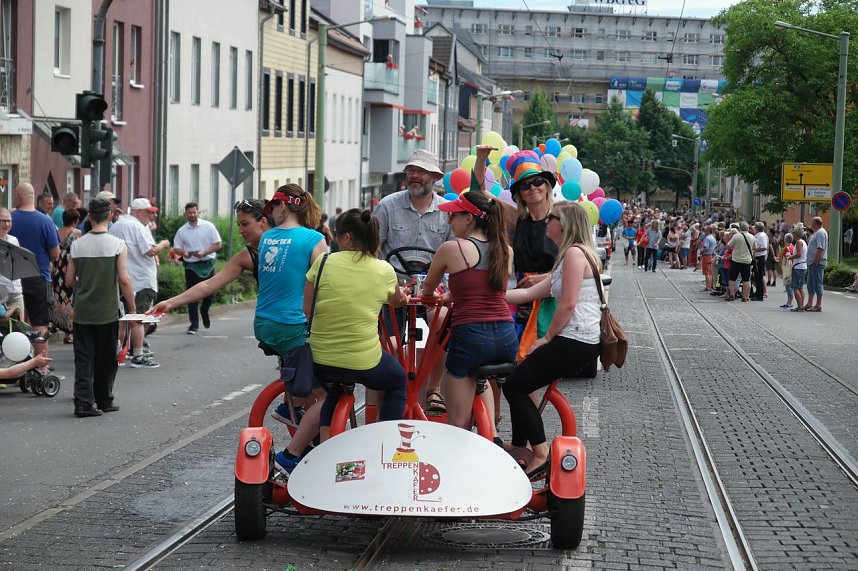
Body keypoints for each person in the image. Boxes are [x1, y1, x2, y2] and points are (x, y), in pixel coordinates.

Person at [294, 209, 407, 462]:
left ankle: (324, 451)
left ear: (346, 238)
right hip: (363, 362)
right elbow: (397, 301)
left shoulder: (323, 263)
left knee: (334, 392)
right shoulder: (384, 270)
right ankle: (387, 447)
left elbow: (307, 309)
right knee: (397, 380)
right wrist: (403, 298)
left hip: (320, 359)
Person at [502, 201, 602, 477]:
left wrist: (546, 338)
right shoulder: (568, 256)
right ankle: (520, 443)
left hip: (576, 340)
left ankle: (540, 454)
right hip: (578, 339)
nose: (546, 222)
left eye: (552, 218)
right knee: (520, 377)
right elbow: (527, 294)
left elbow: (568, 303)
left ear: (565, 224)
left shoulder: (574, 254)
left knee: (514, 386)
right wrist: (489, 296)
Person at [420, 190, 517, 438]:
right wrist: (455, 294)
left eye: (453, 215)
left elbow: (427, 289)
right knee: (480, 378)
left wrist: (434, 296)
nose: (449, 220)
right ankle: (492, 434)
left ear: (469, 218)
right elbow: (488, 289)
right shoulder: (505, 250)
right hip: (506, 338)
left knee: (458, 422)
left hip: (471, 337)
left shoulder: (452, 248)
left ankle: (460, 449)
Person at [374, 149, 451, 414]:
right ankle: (392, 389)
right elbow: (374, 249)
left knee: (443, 324)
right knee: (389, 341)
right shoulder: (387, 206)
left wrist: (442, 287)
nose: (415, 176)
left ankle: (434, 388)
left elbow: (454, 255)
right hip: (395, 287)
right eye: (411, 171)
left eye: (421, 171)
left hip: (433, 289)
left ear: (435, 177)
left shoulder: (446, 211)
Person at [256, 186, 327, 460]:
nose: (271, 214)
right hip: (293, 326)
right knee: (330, 394)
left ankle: (294, 404)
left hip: (263, 324)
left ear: (282, 206)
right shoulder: (314, 239)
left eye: (272, 208)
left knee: (307, 377)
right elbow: (326, 283)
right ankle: (295, 444)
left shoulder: (266, 238)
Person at [65, 199, 136, 417]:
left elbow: (69, 281)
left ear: (89, 217)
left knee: (84, 358)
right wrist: (132, 308)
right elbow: (124, 280)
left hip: (83, 311)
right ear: (110, 216)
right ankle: (104, 400)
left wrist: (85, 284)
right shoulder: (117, 245)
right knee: (106, 358)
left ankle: (83, 403)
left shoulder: (77, 245)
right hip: (107, 312)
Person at [152, 199, 272, 315]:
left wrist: (205, 252)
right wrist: (169, 303)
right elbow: (208, 285)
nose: (240, 230)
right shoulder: (246, 255)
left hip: (287, 321)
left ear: (263, 221)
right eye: (238, 225)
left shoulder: (287, 242)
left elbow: (217, 244)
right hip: (267, 320)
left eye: (245, 224)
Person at [110, 198, 170, 368]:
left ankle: (118, 352)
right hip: (141, 279)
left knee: (123, 318)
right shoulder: (137, 226)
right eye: (148, 212)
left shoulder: (116, 226)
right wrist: (164, 244)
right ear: (138, 212)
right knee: (140, 318)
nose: (151, 215)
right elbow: (150, 251)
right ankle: (137, 354)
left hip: (121, 278)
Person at [9, 183, 60, 373]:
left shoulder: (9, 219)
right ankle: (42, 368)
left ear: (19, 196)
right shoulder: (45, 221)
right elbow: (55, 253)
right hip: (39, 276)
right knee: (40, 323)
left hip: (12, 277)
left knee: (17, 322)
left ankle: (18, 366)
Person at [172, 202, 223, 334]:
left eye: (194, 212)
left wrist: (205, 252)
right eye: (189, 213)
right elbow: (176, 248)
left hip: (207, 263)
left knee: (209, 293)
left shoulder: (208, 226)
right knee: (191, 295)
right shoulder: (182, 231)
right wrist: (184, 253)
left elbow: (218, 244)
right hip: (191, 265)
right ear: (185, 214)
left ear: (198, 212)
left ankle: (204, 310)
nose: (192, 215)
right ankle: (193, 324)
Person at [52, 208, 81, 344]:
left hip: (58, 270)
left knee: (60, 298)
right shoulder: (76, 233)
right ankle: (70, 333)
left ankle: (60, 327)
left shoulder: (57, 232)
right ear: (75, 220)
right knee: (71, 299)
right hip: (70, 269)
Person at [0, 208, 25, 321]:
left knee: (20, 326)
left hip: (15, 289)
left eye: (9, 221)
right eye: (3, 221)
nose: (7, 224)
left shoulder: (14, 240)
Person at [804, 216, 828, 312]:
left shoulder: (821, 233)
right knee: (810, 283)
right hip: (812, 262)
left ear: (817, 223)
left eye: (812, 222)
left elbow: (820, 248)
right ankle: (810, 303)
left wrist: (816, 261)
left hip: (817, 263)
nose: (811, 224)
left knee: (817, 283)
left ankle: (818, 305)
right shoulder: (817, 233)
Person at [727, 221, 755, 302]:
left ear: (740, 228)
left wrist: (735, 249)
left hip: (736, 260)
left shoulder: (736, 236)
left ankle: (732, 294)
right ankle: (744, 296)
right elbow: (754, 247)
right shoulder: (752, 237)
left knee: (732, 278)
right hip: (747, 261)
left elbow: (729, 245)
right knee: (746, 279)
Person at [789, 227, 808, 312]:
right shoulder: (803, 242)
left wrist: (790, 257)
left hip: (798, 267)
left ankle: (800, 306)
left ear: (796, 234)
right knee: (800, 287)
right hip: (803, 266)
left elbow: (799, 254)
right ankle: (801, 305)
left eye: (793, 233)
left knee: (795, 287)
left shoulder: (799, 242)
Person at [750, 221, 768, 301]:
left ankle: (759, 295)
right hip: (758, 257)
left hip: (760, 257)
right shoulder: (759, 235)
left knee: (759, 276)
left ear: (757, 228)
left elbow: (764, 247)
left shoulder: (761, 236)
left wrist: (754, 249)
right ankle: (757, 292)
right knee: (757, 277)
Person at [699, 225, 717, 292]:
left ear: (707, 231)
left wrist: (701, 251)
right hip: (711, 255)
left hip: (706, 255)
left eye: (705, 231)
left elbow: (706, 247)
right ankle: (710, 286)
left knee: (707, 273)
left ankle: (707, 287)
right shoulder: (713, 238)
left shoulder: (707, 238)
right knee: (710, 272)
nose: (704, 232)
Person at [780, 233, 795, 309]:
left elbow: (784, 259)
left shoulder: (786, 248)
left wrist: (782, 268)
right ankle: (789, 301)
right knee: (790, 285)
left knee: (787, 285)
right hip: (792, 267)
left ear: (785, 240)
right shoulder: (793, 247)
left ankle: (789, 302)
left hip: (787, 268)